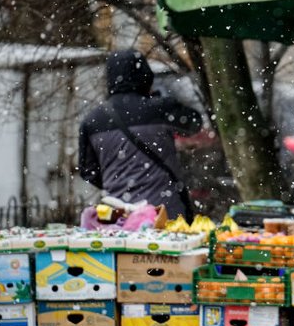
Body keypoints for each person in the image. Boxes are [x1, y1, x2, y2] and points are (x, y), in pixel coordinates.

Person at [78, 50, 202, 219]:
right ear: (145, 75)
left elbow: (88, 171)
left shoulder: (92, 121)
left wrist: (119, 184)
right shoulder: (160, 109)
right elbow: (194, 123)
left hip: (119, 216)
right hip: (165, 215)